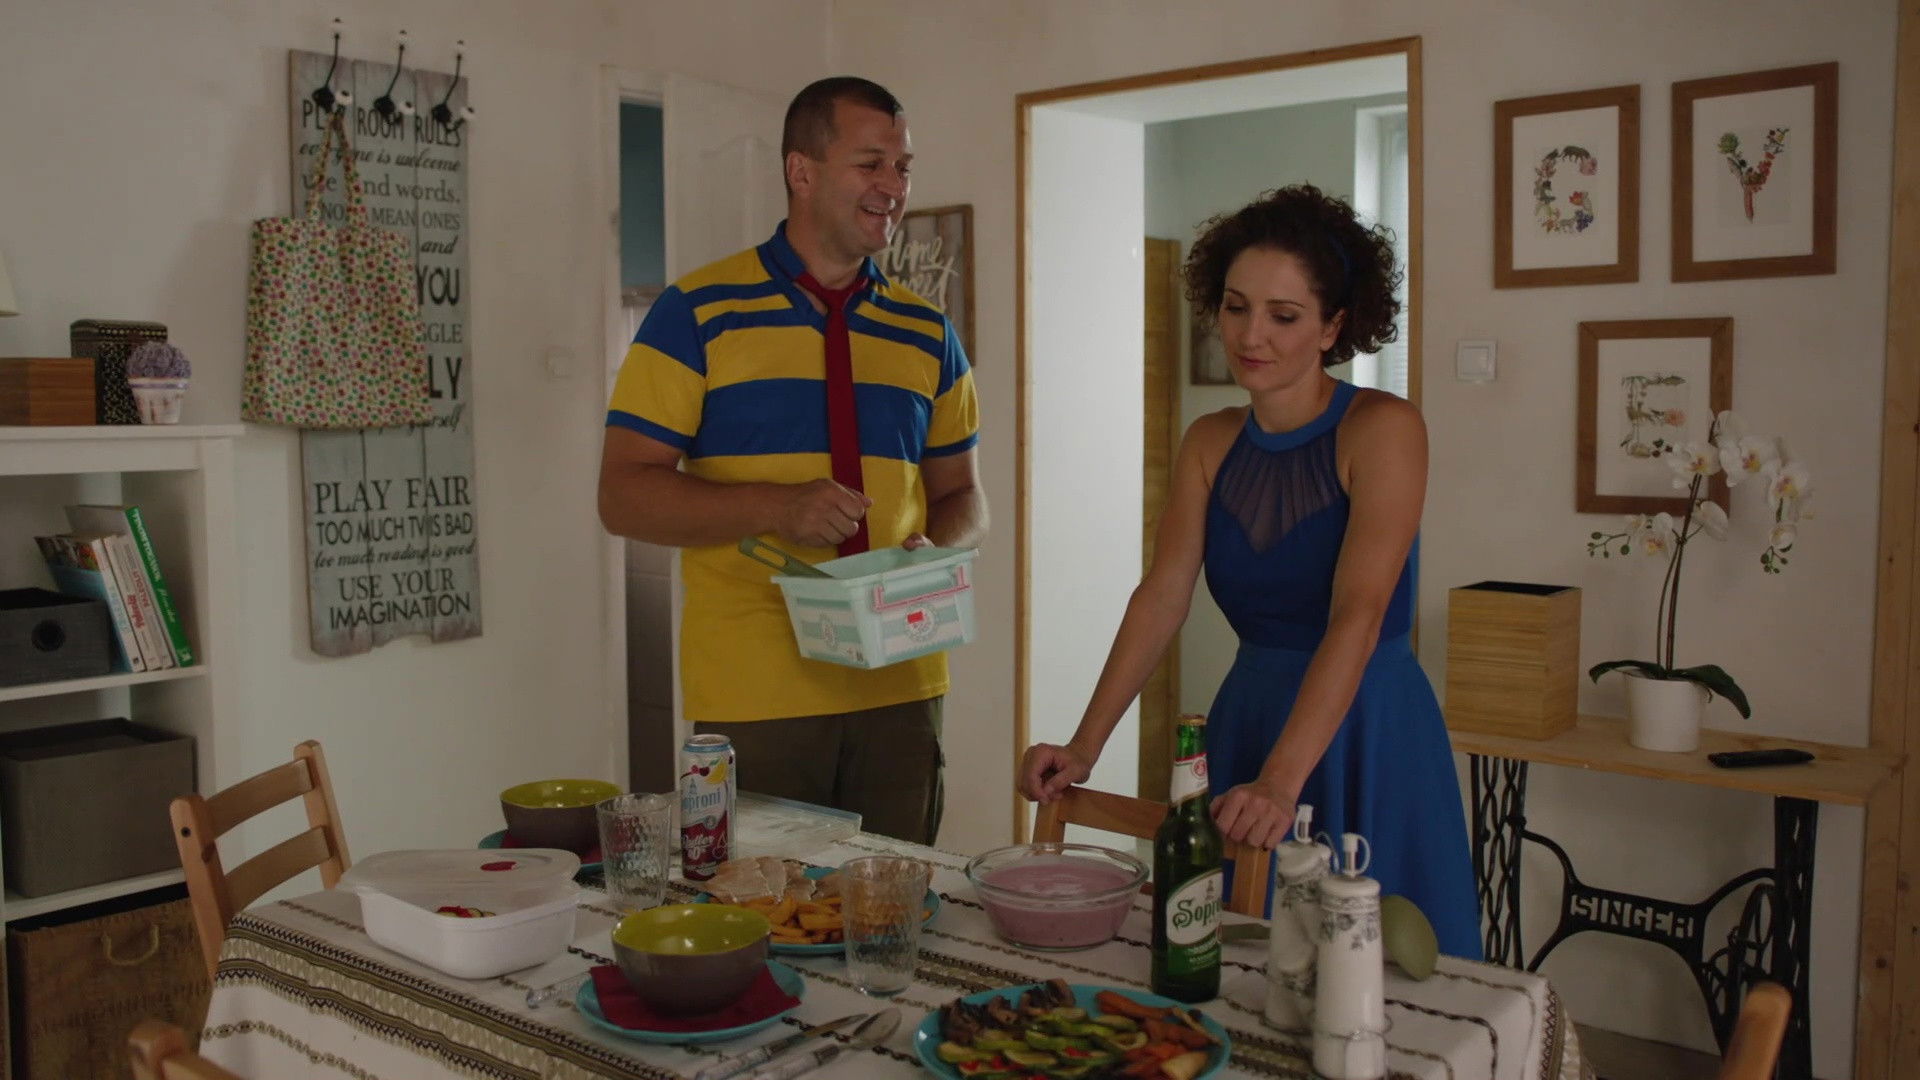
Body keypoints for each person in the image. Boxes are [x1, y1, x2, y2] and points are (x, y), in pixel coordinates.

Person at [1017, 185, 1480, 958]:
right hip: (1252, 714)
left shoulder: (1384, 428)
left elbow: (1359, 614)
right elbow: (1162, 597)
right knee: (1232, 963)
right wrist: (1085, 746)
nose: (1250, 334)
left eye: (1283, 316)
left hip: (1366, 724)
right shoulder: (1209, 440)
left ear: (1333, 326)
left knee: (1378, 976)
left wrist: (1281, 780)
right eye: (1236, 308)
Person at [598, 77, 987, 845]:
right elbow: (623, 496)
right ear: (800, 171)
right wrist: (777, 507)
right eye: (870, 163)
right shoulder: (695, 313)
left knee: (896, 903)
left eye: (903, 167)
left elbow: (965, 497)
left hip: (903, 687)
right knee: (757, 904)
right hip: (757, 696)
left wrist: (934, 549)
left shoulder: (927, 331)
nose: (893, 186)